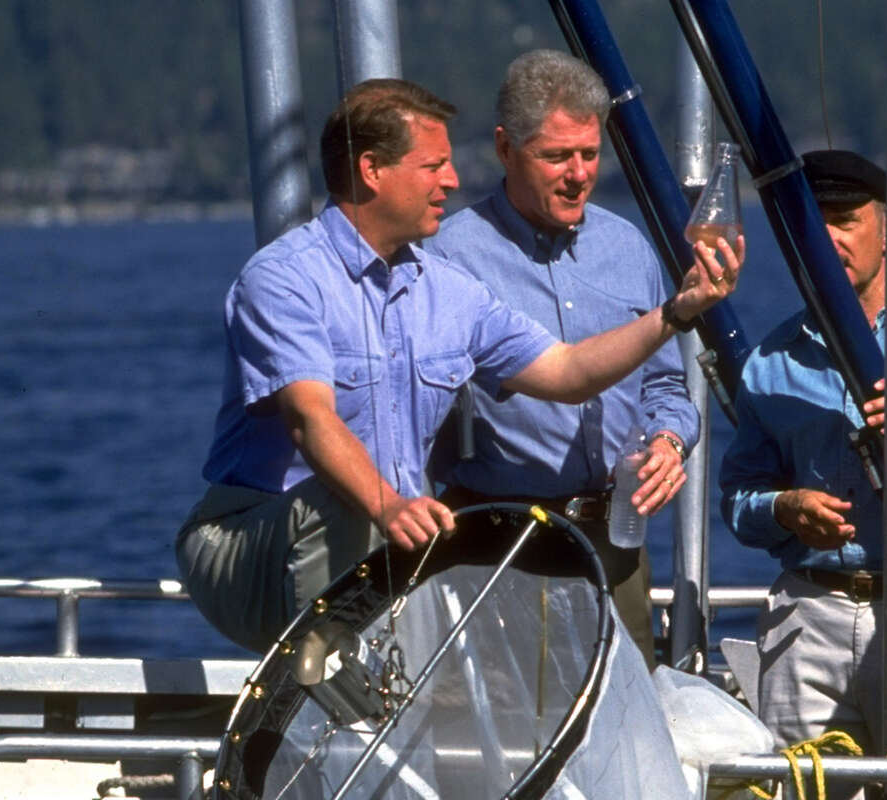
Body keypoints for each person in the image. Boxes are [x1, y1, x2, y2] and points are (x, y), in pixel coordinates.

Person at [175, 78, 742, 654]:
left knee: (404, 543)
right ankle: (330, 695)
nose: (452, 181)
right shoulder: (284, 278)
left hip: (383, 545)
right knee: (350, 502)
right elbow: (310, 421)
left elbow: (568, 373)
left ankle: (373, 685)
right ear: (372, 170)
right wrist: (391, 504)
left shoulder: (447, 292)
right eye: (434, 166)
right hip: (251, 540)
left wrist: (676, 312)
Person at [718, 150, 887, 775]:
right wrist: (785, 509)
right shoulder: (770, 361)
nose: (827, 242)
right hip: (808, 615)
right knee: (801, 783)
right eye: (812, 228)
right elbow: (738, 499)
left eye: (844, 221)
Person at [424, 49, 698, 668]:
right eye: (556, 157)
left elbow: (665, 388)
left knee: (625, 729)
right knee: (497, 730)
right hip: (494, 541)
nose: (578, 174)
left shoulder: (627, 248)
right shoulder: (449, 259)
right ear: (504, 148)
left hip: (613, 543)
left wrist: (669, 442)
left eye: (590, 155)